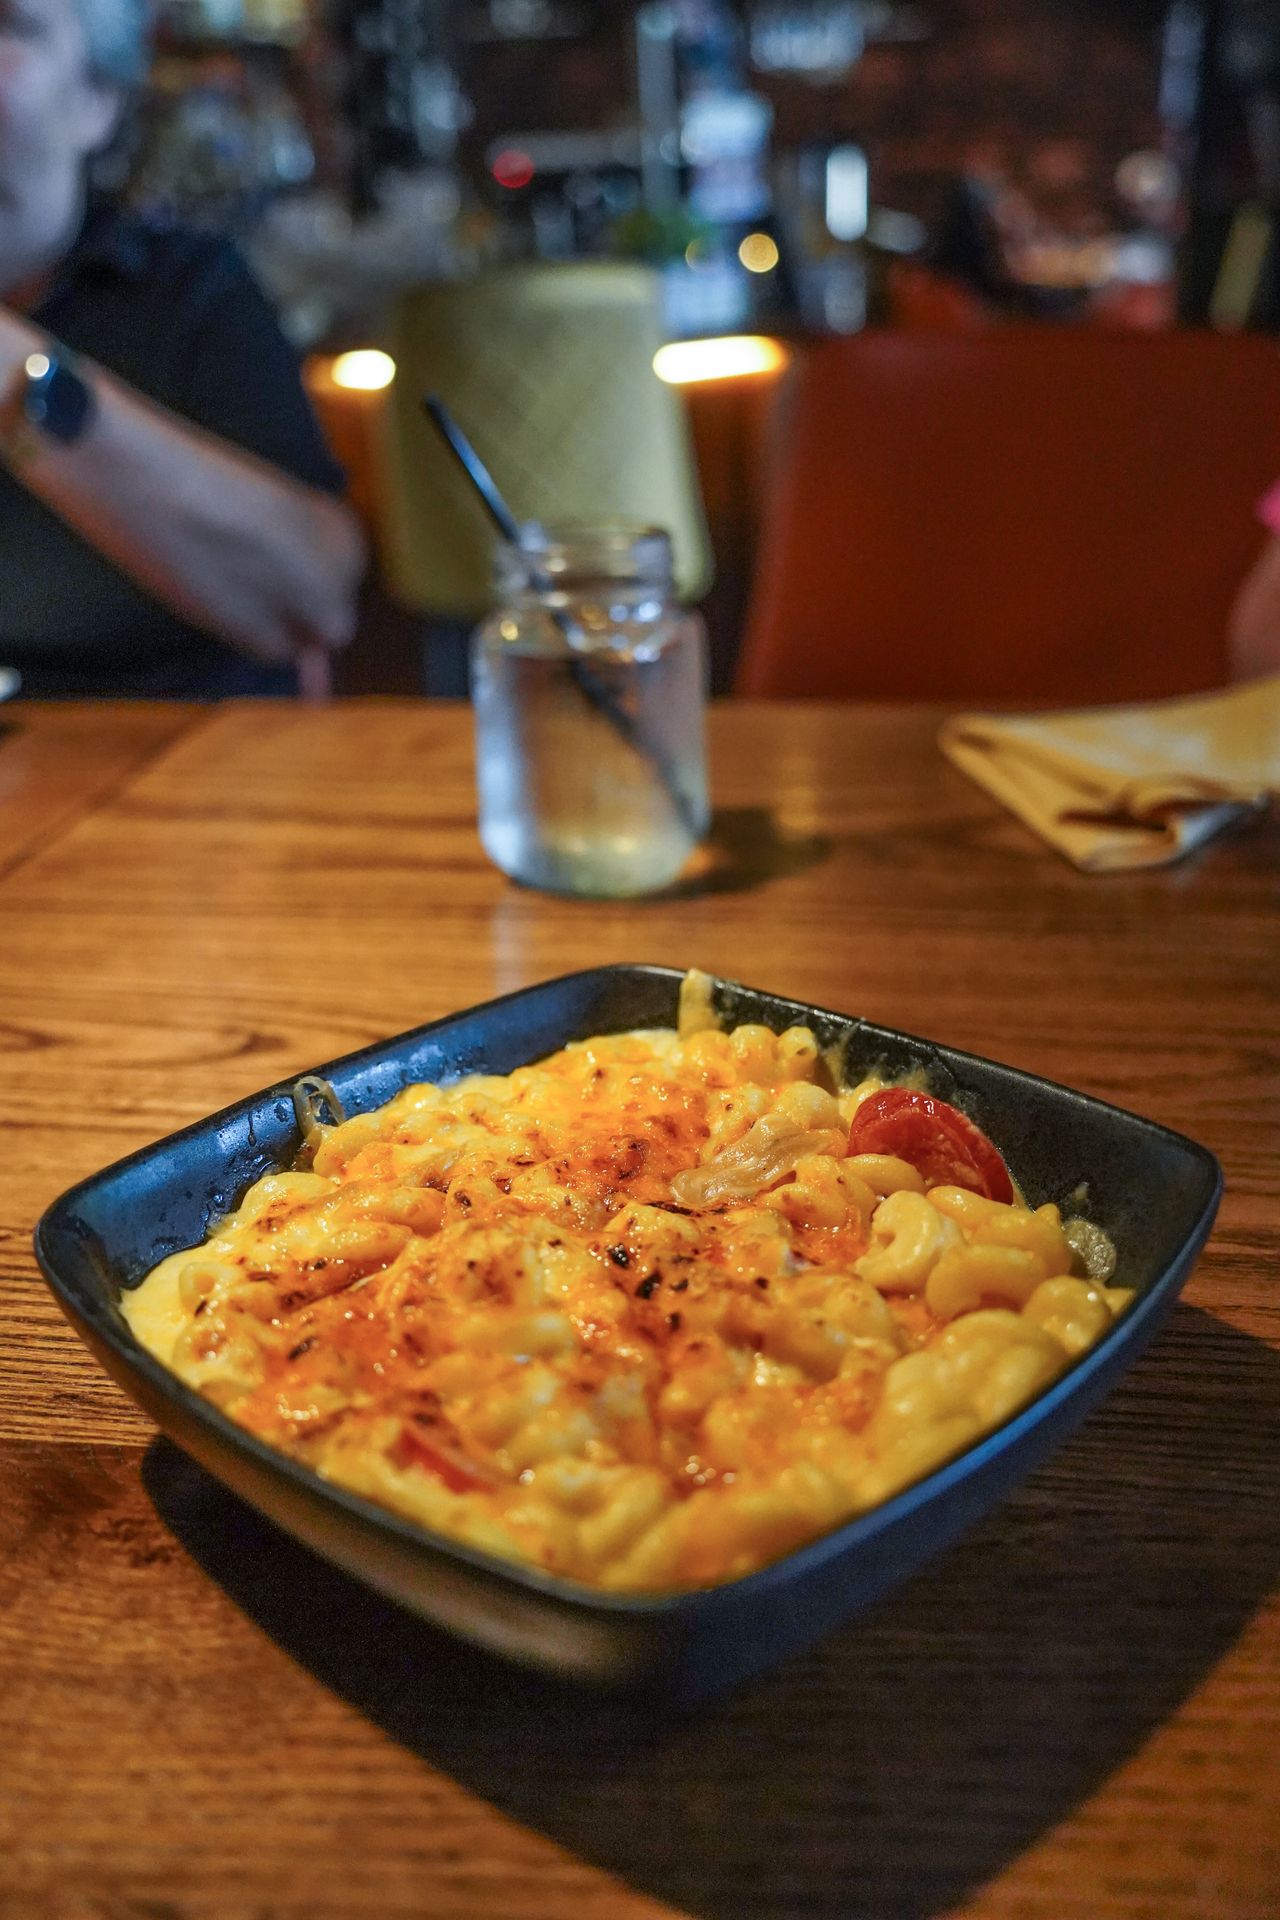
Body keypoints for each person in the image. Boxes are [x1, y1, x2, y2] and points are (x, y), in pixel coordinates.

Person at [0, 0, 365, 695]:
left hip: (180, 774)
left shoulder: (187, 290)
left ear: (97, 98)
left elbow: (311, 598)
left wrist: (19, 379)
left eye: (10, 25)